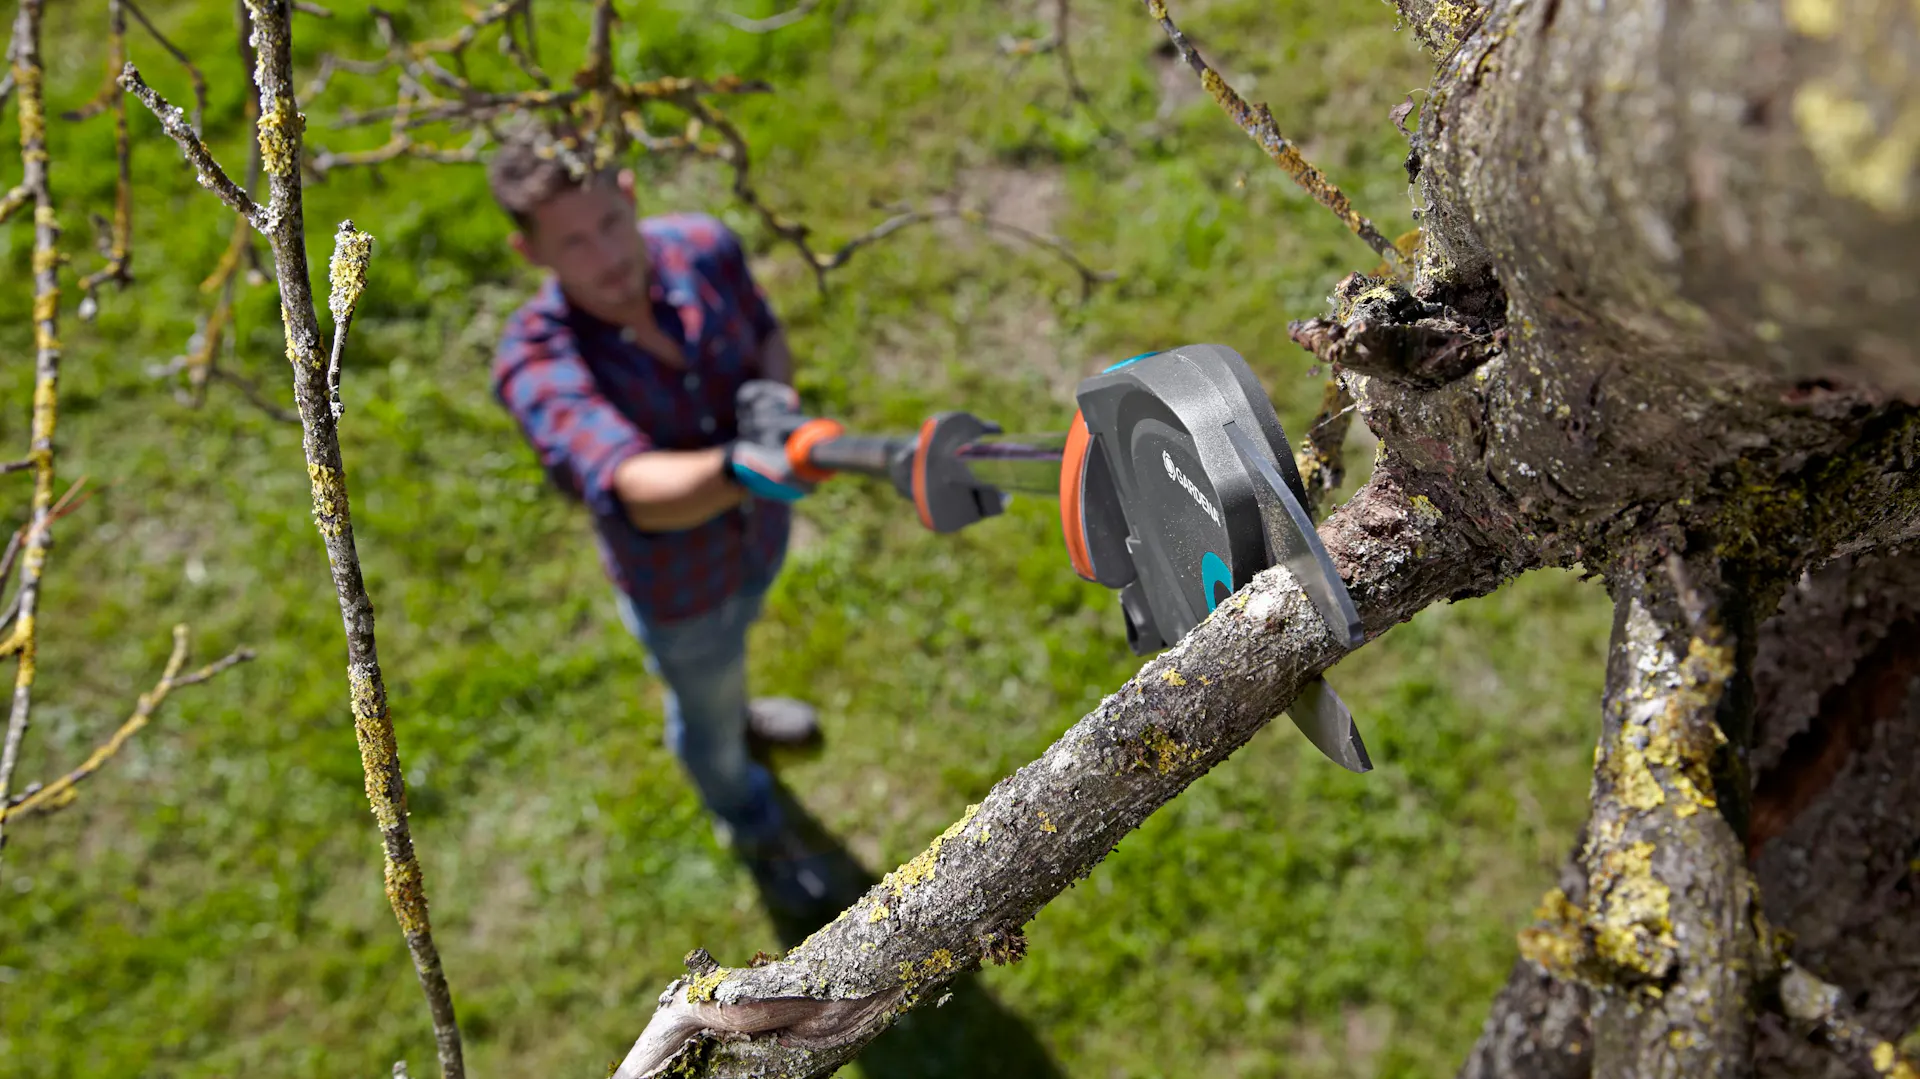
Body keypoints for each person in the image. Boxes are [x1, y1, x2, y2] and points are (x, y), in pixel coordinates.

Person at [486, 130, 834, 913]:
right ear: (529, 251)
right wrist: (742, 467)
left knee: (731, 658)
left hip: (756, 542)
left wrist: (774, 406)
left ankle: (739, 713)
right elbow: (631, 483)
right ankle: (749, 816)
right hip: (678, 589)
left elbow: (767, 335)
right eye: (574, 243)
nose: (608, 257)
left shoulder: (704, 248)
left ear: (630, 193)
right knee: (702, 706)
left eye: (611, 222)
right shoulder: (536, 361)